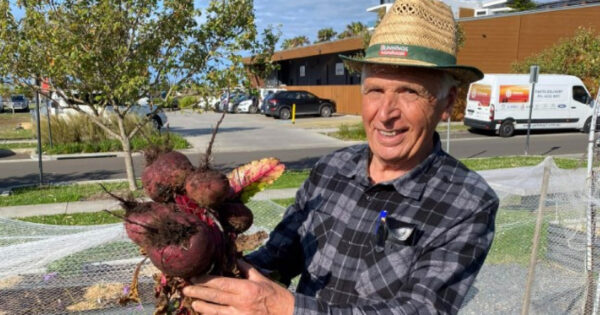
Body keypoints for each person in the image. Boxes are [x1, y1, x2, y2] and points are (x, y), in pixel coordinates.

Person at [182, 0, 498, 313]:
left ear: (446, 103)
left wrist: (285, 309)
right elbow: (279, 256)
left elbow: (419, 309)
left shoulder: (467, 202)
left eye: (408, 92)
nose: (386, 114)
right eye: (375, 90)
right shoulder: (332, 169)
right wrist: (209, 268)